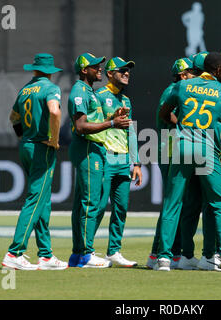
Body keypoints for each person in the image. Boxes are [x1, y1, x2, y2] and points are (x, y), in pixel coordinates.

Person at [154, 52, 221, 272]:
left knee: (173, 203)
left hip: (182, 146)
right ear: (220, 70)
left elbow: (164, 113)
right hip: (207, 149)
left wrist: (182, 123)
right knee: (219, 203)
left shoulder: (184, 86)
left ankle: (163, 259)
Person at [2, 53, 68, 270]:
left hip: (27, 147)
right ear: (50, 71)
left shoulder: (24, 90)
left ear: (34, 69)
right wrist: (54, 139)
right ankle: (15, 252)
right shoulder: (50, 88)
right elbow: (54, 111)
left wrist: (23, 137)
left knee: (42, 199)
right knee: (35, 199)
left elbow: (13, 118)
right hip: (42, 148)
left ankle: (46, 255)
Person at [67, 53, 131, 268]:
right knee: (91, 202)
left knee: (84, 203)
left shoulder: (88, 91)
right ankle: (86, 254)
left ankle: (78, 254)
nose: (100, 69)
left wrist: (111, 120)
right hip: (87, 148)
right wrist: (112, 124)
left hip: (94, 147)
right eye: (95, 66)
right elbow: (81, 127)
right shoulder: (79, 91)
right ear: (85, 70)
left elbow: (93, 122)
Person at [146, 57, 197, 270]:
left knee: (179, 203)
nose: (196, 76)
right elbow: (165, 116)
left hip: (175, 149)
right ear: (183, 75)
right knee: (173, 203)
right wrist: (188, 125)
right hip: (169, 150)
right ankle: (158, 254)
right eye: (193, 72)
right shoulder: (173, 90)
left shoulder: (182, 89)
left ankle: (172, 253)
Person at [95, 57, 142, 267]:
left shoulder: (126, 100)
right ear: (109, 74)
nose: (126, 73)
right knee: (97, 207)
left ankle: (113, 251)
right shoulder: (98, 96)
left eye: (128, 70)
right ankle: (85, 251)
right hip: (105, 157)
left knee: (121, 208)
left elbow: (130, 131)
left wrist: (137, 162)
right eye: (122, 70)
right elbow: (91, 125)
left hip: (123, 160)